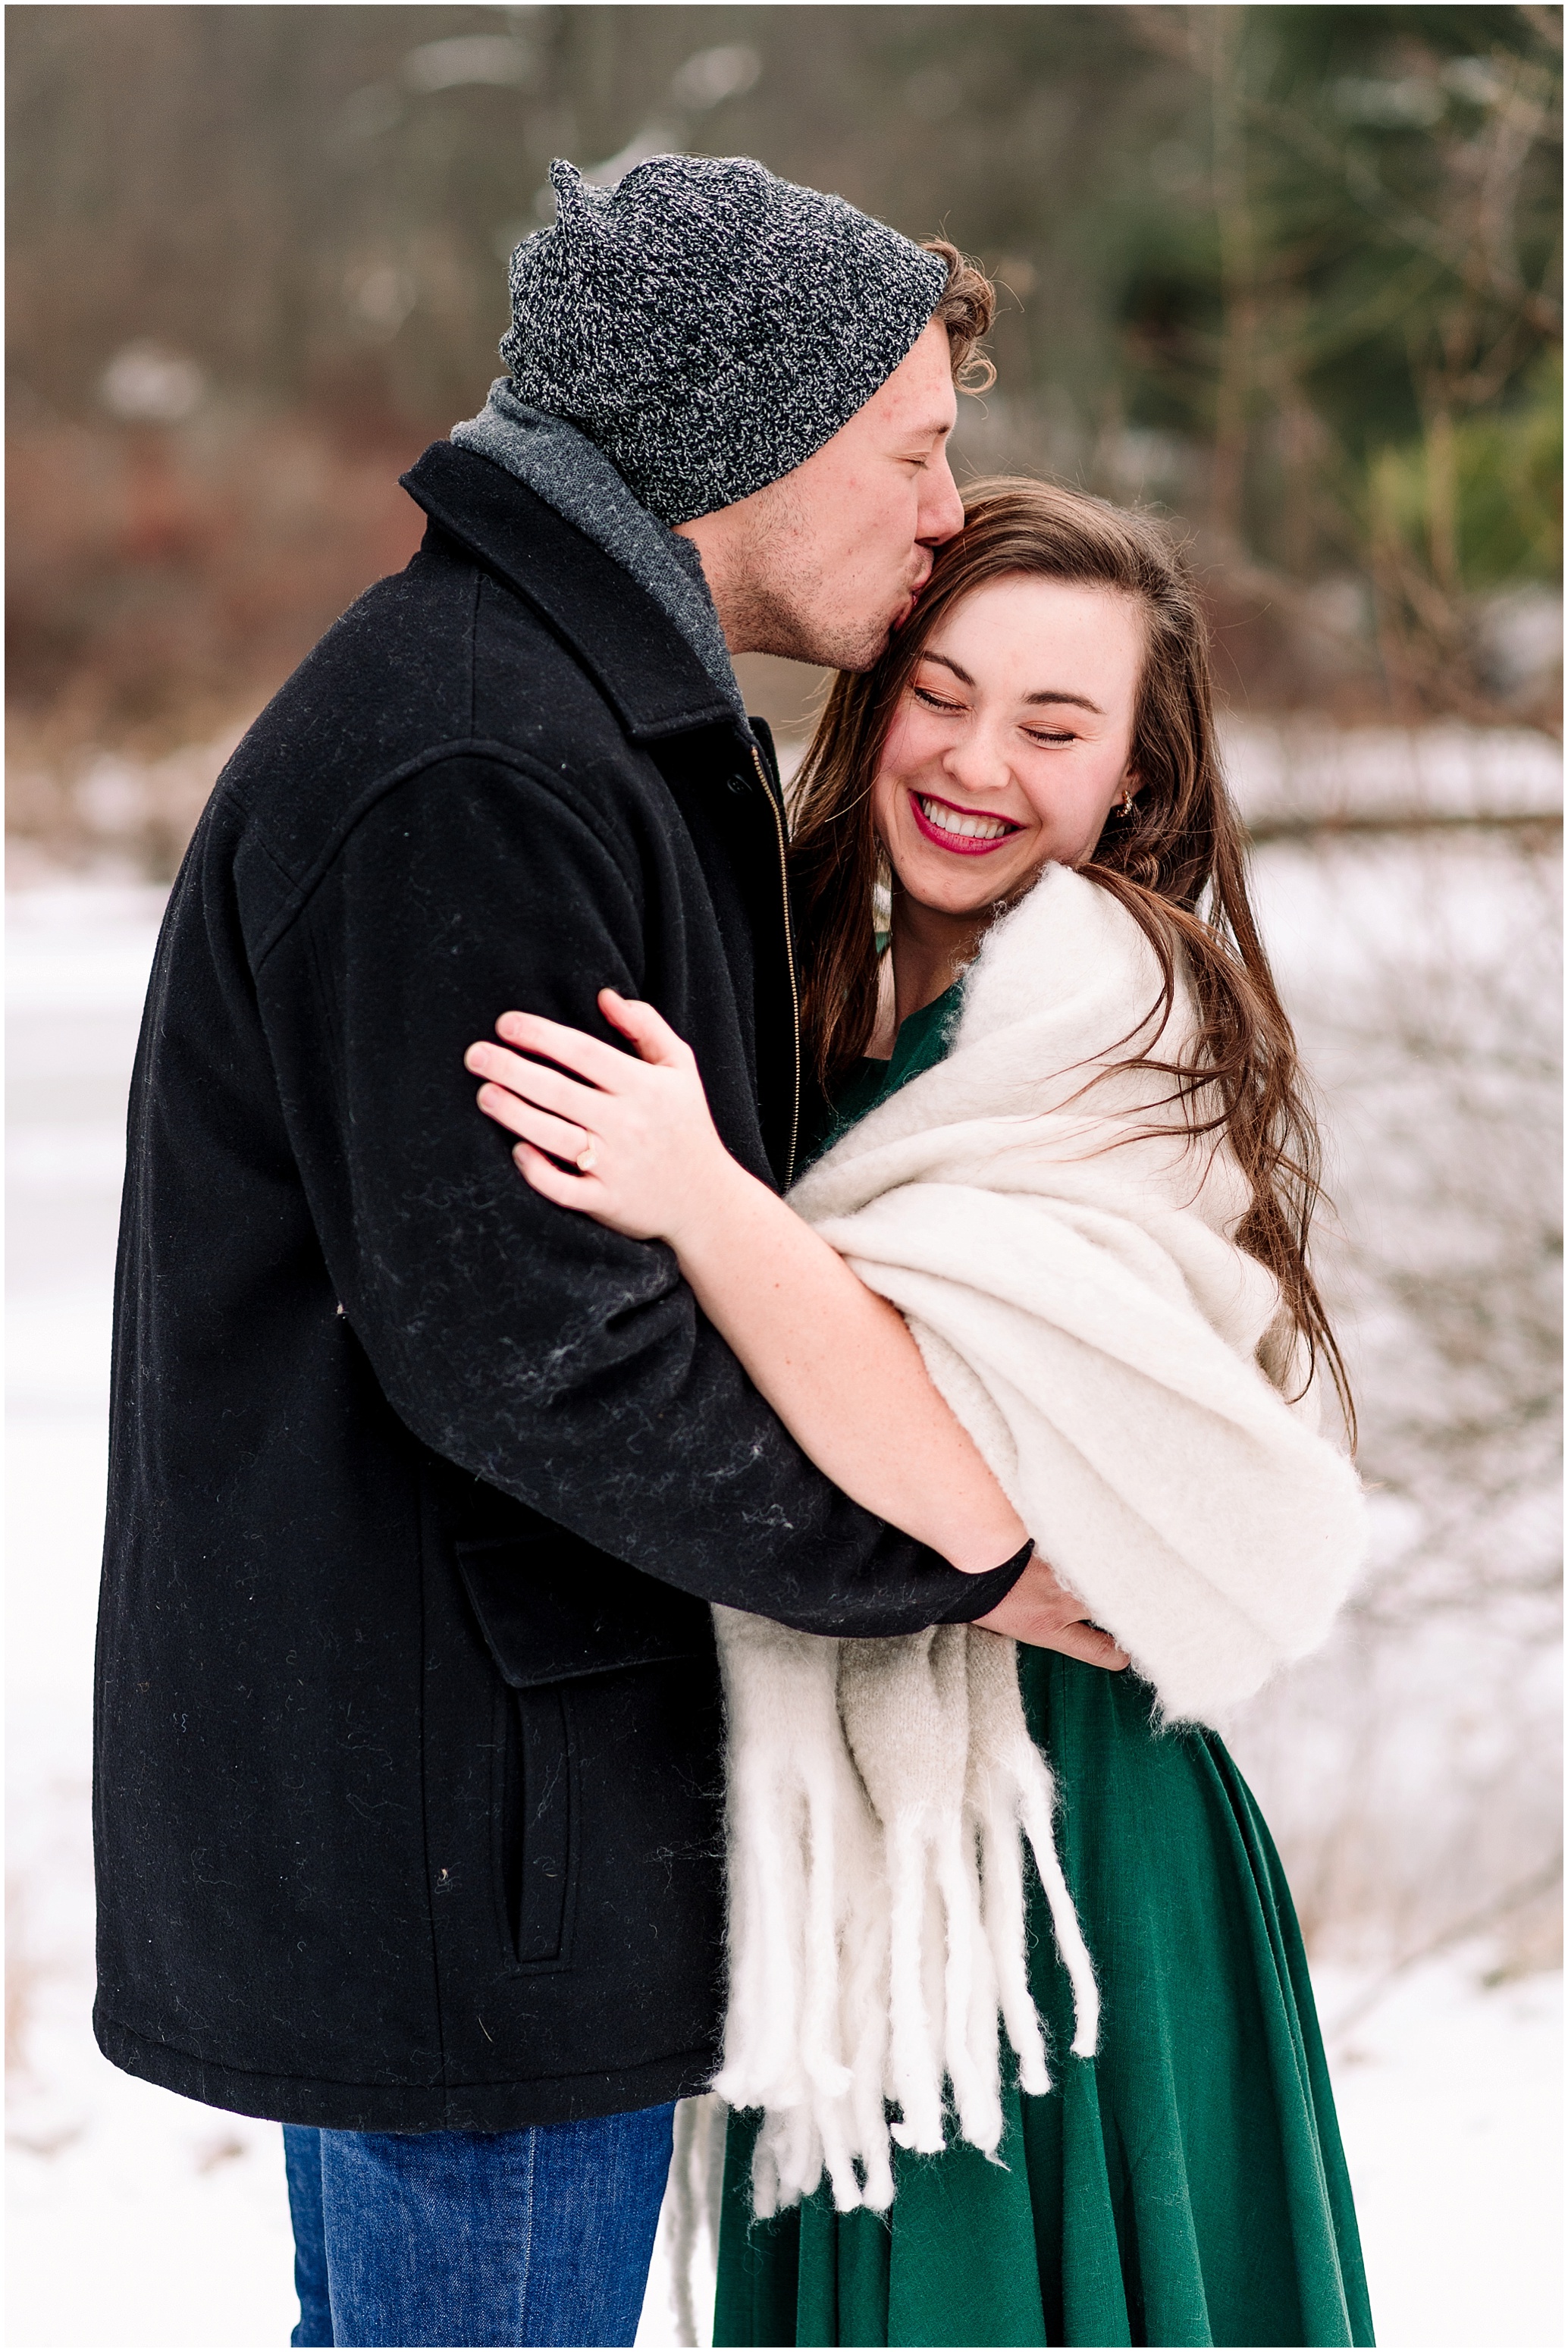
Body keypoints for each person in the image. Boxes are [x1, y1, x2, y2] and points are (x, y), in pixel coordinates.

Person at [93, 155, 1126, 2352]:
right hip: (467, 1831)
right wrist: (945, 1552)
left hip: (483, 1802)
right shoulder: (477, 759)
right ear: (747, 427)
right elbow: (535, 1351)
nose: (946, 507)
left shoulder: (562, 715)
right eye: (912, 451)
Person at [467, 478, 1377, 2347]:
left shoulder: (1114, 1023)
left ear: (1134, 776)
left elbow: (960, 1474)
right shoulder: (801, 974)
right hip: (853, 1824)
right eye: (939, 695)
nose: (974, 763)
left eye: (1054, 727)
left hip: (1047, 1837)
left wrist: (703, 1198)